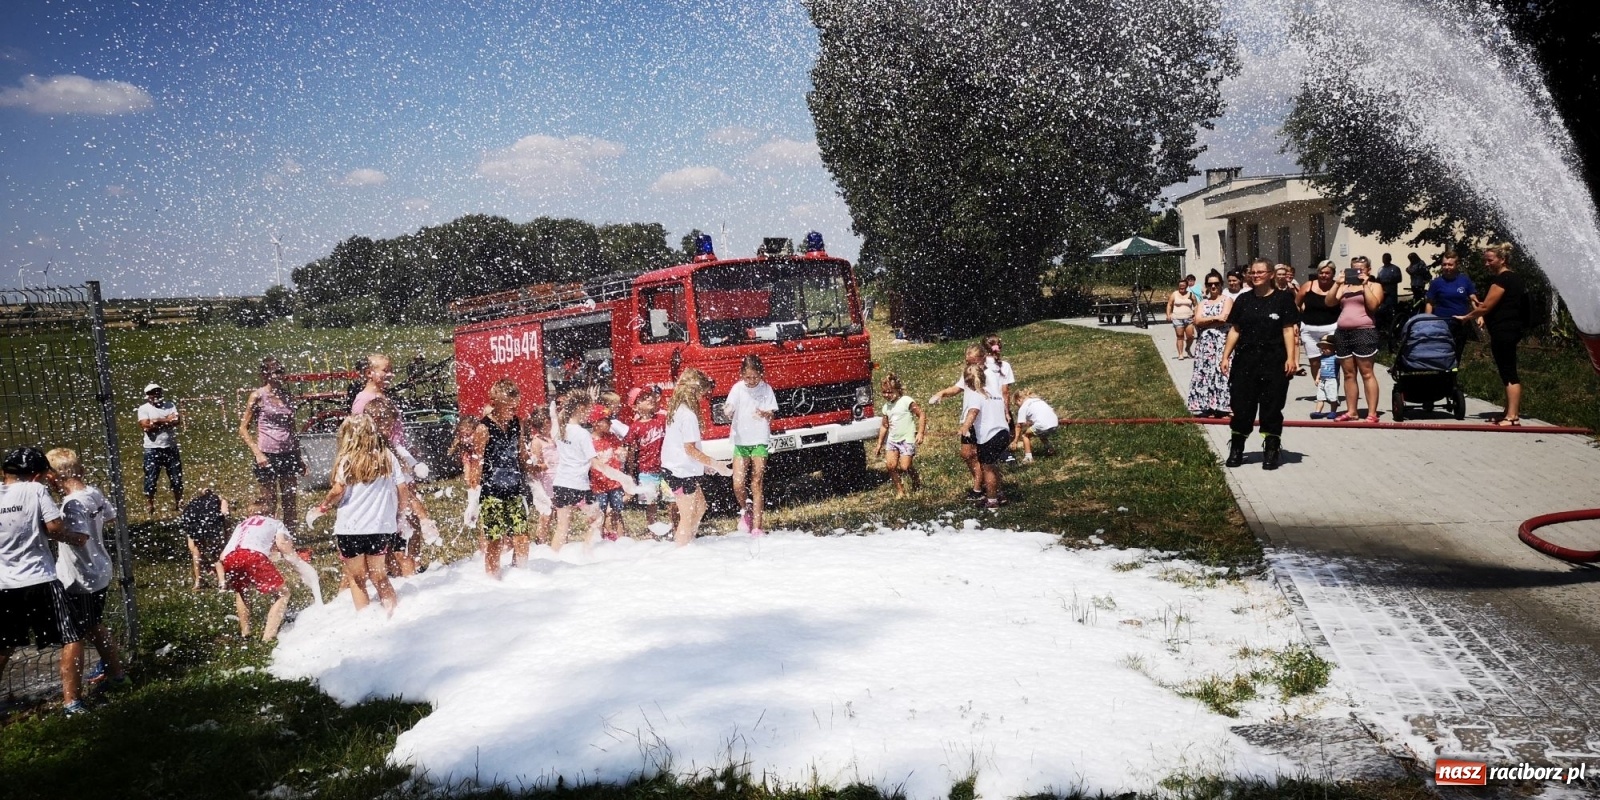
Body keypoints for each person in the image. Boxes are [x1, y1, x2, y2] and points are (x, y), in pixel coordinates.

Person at [0, 447, 91, 715]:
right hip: (40, 577)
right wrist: (73, 537)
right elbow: (53, 528)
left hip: (4, 582)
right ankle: (72, 703)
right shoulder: (35, 490)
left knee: (4, 644)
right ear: (37, 475)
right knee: (71, 636)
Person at [317, 414, 433, 614]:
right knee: (379, 576)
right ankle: (392, 614)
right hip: (379, 527)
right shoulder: (386, 456)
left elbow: (337, 490)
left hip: (350, 529)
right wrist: (400, 513)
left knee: (358, 578)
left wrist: (323, 506)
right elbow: (403, 488)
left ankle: (365, 621)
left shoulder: (346, 460)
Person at [44, 448, 129, 692]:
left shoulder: (71, 503)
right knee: (93, 624)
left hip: (80, 577)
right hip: (98, 569)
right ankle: (115, 673)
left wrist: (51, 531)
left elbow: (79, 538)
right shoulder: (93, 492)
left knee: (77, 633)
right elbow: (110, 517)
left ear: (51, 477)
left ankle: (111, 674)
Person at [1220, 258, 1301, 470]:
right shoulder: (1243, 300)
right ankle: (1237, 447)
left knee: (1272, 407)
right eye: (1253, 272)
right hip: (1245, 362)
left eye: (1260, 272)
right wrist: (1225, 356)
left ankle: (1272, 449)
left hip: (1274, 361)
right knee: (1242, 407)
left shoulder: (1283, 299)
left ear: (1271, 274)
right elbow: (1235, 329)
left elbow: (1288, 330)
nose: (1255, 276)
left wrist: (1292, 358)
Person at [463, 379, 530, 574]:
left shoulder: (517, 423)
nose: (513, 411)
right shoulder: (484, 428)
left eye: (515, 406)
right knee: (495, 539)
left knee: (522, 535)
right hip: (491, 492)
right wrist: (472, 500)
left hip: (514, 488)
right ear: (495, 403)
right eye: (509, 407)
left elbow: (521, 455)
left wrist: (534, 469)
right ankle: (492, 578)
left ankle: (523, 574)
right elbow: (477, 463)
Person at [1455, 242, 1527, 426]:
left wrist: (1466, 317)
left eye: (1490, 260)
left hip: (1505, 330)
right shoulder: (1514, 278)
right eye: (1485, 260)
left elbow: (1487, 306)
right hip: (1509, 329)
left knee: (1509, 372)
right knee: (1506, 372)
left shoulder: (1502, 280)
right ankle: (1508, 412)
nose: (1486, 264)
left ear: (1502, 259)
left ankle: (1513, 417)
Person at [661, 369, 733, 546]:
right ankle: (682, 551)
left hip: (677, 468)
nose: (703, 398)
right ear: (695, 391)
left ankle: (689, 544)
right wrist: (717, 465)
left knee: (700, 507)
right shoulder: (688, 415)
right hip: (680, 471)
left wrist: (704, 466)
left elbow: (683, 447)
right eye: (702, 393)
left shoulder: (677, 409)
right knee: (687, 516)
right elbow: (690, 450)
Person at [218, 501, 303, 642]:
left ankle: (246, 633)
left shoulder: (242, 525)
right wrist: (297, 562)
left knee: (242, 591)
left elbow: (221, 556)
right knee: (283, 593)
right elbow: (282, 545)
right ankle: (268, 637)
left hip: (230, 558)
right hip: (253, 556)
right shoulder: (275, 523)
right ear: (273, 513)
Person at [238, 357, 305, 533]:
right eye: (275, 371)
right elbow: (243, 429)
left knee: (290, 499)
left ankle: (290, 538)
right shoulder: (258, 396)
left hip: (288, 452)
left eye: (281, 371)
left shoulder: (287, 396)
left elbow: (292, 429)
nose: (279, 375)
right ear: (265, 374)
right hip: (266, 453)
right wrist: (258, 453)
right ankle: (269, 537)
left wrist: (299, 457)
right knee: (269, 500)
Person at [928, 344, 995, 503]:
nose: (969, 365)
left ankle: (980, 488)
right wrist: (941, 393)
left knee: (980, 456)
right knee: (966, 454)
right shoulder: (970, 372)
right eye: (967, 362)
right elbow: (957, 388)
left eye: (973, 362)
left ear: (983, 359)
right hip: (969, 420)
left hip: (981, 420)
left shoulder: (989, 375)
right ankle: (984, 484)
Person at [722, 355, 778, 536]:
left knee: (757, 481)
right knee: (738, 483)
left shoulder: (766, 389)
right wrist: (728, 411)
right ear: (742, 375)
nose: (752, 381)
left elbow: (772, 414)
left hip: (759, 439)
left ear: (761, 374)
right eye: (748, 378)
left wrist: (766, 414)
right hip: (741, 440)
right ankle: (745, 509)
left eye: (755, 377)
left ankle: (757, 526)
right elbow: (728, 408)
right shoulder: (737, 389)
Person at [1326, 256, 1385, 422]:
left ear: (1368, 270)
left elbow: (1374, 306)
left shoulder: (1375, 285)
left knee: (1366, 372)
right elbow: (1329, 302)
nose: (1358, 272)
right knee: (1348, 373)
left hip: (1364, 332)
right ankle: (1352, 411)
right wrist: (1338, 283)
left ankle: (1372, 413)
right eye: (1354, 269)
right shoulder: (1344, 286)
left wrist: (1364, 285)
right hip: (1343, 332)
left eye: (1361, 269)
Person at [548, 391, 605, 553]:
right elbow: (594, 462)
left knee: (562, 527)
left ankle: (553, 559)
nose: (590, 414)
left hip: (561, 483)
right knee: (597, 518)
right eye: (588, 409)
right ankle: (587, 554)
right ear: (580, 408)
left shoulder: (561, 430)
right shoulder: (582, 434)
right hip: (578, 485)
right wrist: (619, 476)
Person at [958, 363, 1012, 510]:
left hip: (989, 436)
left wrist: (965, 427)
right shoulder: (994, 392)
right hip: (1003, 433)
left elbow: (973, 413)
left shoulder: (976, 395)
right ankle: (999, 493)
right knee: (993, 465)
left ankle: (992, 500)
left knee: (987, 468)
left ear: (967, 383)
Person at [623, 387, 672, 536]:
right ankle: (654, 532)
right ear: (635, 406)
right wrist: (631, 474)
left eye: (649, 396)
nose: (649, 399)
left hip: (666, 469)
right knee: (651, 504)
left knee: (672, 501)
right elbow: (631, 453)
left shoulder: (662, 419)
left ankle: (674, 528)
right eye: (644, 398)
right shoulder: (635, 427)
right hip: (646, 471)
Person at [1296, 261, 1342, 414]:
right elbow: (1297, 304)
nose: (1324, 275)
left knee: (1331, 362)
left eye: (1327, 272)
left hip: (1331, 328)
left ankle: (1333, 392)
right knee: (1314, 362)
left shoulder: (1338, 287)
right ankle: (1322, 391)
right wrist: (1296, 324)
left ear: (1333, 274)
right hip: (1309, 330)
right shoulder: (1307, 286)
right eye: (1321, 272)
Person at [1187, 270, 1234, 418]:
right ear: (1206, 286)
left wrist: (1206, 320)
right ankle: (1206, 406)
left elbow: (1225, 318)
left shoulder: (1227, 300)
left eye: (1216, 284)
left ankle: (1222, 407)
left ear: (1221, 284)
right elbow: (1197, 320)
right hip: (1205, 344)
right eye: (1210, 284)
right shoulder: (1203, 302)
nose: (1213, 286)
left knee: (1222, 373)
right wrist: (1215, 318)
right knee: (1204, 373)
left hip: (1221, 342)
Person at [874, 373, 926, 497]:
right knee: (890, 466)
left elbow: (922, 415)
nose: (886, 395)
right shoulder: (886, 407)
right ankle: (900, 490)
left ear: (897, 390)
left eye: (889, 392)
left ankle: (915, 479)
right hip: (892, 440)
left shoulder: (906, 401)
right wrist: (879, 444)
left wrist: (920, 432)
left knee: (905, 466)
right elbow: (884, 426)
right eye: (884, 392)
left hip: (907, 439)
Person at [137, 383, 184, 514]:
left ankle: (179, 502)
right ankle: (150, 504)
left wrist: (156, 421)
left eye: (158, 391)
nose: (156, 394)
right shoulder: (143, 408)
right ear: (148, 396)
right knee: (151, 478)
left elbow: (176, 420)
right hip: (152, 449)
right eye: (153, 392)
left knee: (176, 477)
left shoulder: (170, 405)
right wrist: (165, 421)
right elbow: (146, 426)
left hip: (170, 447)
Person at [1425, 252, 1480, 359]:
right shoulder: (1436, 283)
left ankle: (1453, 373)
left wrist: (1479, 315)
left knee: (1457, 353)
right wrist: (1427, 320)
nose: (1446, 267)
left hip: (1461, 323)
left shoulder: (1464, 280)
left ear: (1456, 265)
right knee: (1443, 352)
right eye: (1444, 264)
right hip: (1442, 324)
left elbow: (1473, 299)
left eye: (1450, 264)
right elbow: (1429, 303)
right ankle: (1442, 373)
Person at [588, 404, 628, 541]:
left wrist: (622, 453)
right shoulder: (588, 442)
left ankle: (622, 539)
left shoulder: (612, 438)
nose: (610, 423)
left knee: (617, 511)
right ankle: (599, 539)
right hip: (598, 485)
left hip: (614, 484)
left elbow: (621, 452)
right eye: (606, 421)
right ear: (595, 423)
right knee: (600, 513)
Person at [179, 488, 229, 591]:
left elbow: (191, 545)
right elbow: (225, 514)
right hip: (210, 523)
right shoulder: (220, 500)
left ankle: (198, 581)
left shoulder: (194, 503)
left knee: (197, 550)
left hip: (193, 523)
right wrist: (225, 535)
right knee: (216, 552)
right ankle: (222, 583)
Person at [1011, 387, 1058, 462]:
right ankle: (1050, 449)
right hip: (1055, 423)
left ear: (1019, 399)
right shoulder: (1038, 400)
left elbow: (1019, 426)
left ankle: (1028, 457)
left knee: (1025, 435)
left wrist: (1015, 440)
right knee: (1040, 433)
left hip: (1042, 424)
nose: (1018, 407)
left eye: (1017, 404)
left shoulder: (1023, 407)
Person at [1309, 337, 1341, 419]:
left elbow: (1342, 363)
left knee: (1332, 397)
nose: (1323, 350)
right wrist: (1317, 378)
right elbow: (1320, 368)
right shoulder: (1322, 357)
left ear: (1333, 348)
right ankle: (1317, 412)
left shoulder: (1335, 358)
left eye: (1326, 348)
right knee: (1320, 397)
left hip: (1331, 380)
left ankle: (1333, 411)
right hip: (1322, 380)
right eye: (1322, 348)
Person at [1166, 279, 1197, 359]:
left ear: (1186, 286)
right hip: (1177, 318)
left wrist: (1196, 315)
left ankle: (1187, 348)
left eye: (1183, 286)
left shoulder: (1190, 294)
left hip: (1189, 318)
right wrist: (1168, 314)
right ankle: (1180, 354)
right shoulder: (1174, 294)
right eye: (1180, 286)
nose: (1182, 288)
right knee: (1180, 336)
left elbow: (1196, 305)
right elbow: (1169, 304)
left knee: (1190, 336)